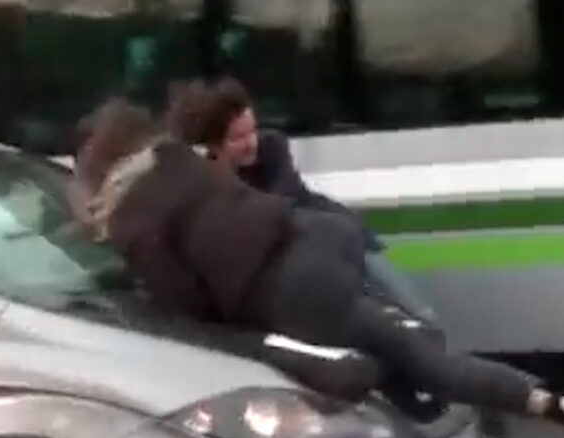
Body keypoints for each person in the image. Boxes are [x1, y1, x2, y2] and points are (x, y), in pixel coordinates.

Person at [74, 98, 564, 438]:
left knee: (361, 371)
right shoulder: (179, 159)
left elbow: (185, 306)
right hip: (318, 241)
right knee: (418, 356)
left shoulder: (132, 222)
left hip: (285, 290)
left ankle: (426, 433)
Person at [163, 77, 439, 323]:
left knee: (419, 316)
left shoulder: (272, 148)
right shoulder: (207, 181)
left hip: (347, 241)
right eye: (238, 137)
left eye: (252, 131)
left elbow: (283, 204)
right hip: (309, 272)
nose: (251, 143)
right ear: (212, 144)